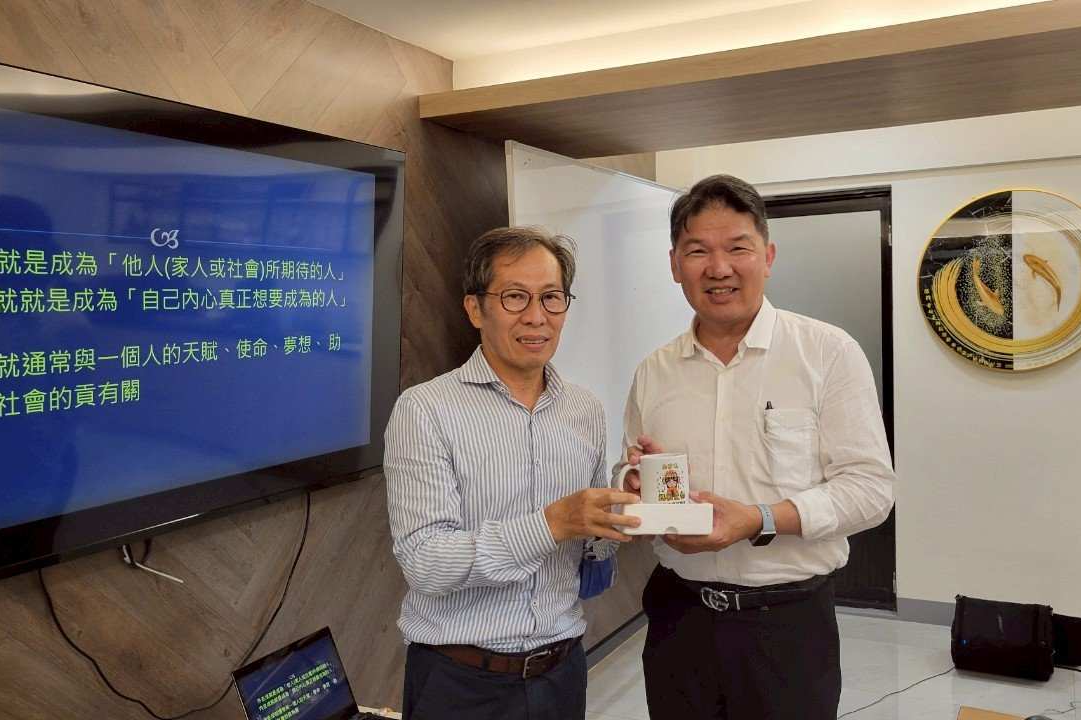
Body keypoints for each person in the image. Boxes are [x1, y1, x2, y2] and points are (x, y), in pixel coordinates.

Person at [619, 175, 896, 720]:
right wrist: (633, 486)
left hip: (787, 627)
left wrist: (757, 519)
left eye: (737, 248)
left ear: (767, 256)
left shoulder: (827, 352)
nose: (718, 268)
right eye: (698, 251)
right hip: (679, 621)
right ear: (674, 264)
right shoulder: (654, 371)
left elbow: (871, 491)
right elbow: (634, 469)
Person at [384, 227, 640, 720]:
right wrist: (551, 524)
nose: (537, 316)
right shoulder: (425, 410)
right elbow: (425, 562)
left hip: (563, 670)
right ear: (475, 309)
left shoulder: (584, 409)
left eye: (552, 297)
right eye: (515, 297)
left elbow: (590, 560)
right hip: (460, 681)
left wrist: (616, 513)